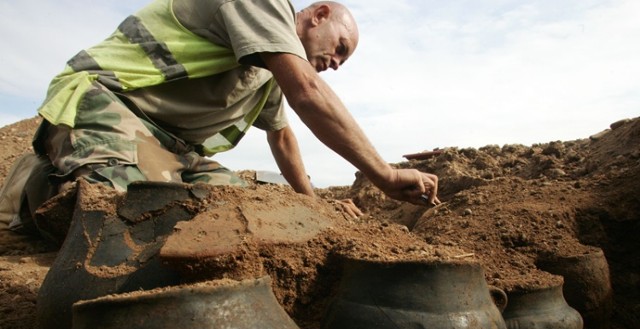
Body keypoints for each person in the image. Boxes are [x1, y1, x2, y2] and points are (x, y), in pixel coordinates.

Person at [2, 0, 439, 235]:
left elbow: (283, 139)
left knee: (247, 215)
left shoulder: (267, 71)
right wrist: (383, 173)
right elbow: (308, 93)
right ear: (319, 15)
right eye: (340, 47)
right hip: (110, 99)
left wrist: (312, 205)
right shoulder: (265, 4)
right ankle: (36, 183)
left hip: (170, 147)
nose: (337, 63)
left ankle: (106, 173)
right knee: (118, 221)